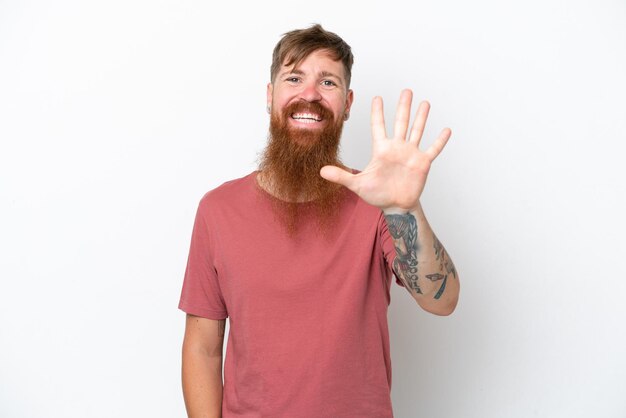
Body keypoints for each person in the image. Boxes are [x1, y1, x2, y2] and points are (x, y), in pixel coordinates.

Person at [179, 24, 460, 418]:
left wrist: (404, 209)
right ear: (269, 95)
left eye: (327, 82)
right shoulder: (218, 210)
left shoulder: (376, 205)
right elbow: (203, 347)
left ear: (347, 104)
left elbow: (442, 300)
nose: (309, 94)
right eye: (294, 78)